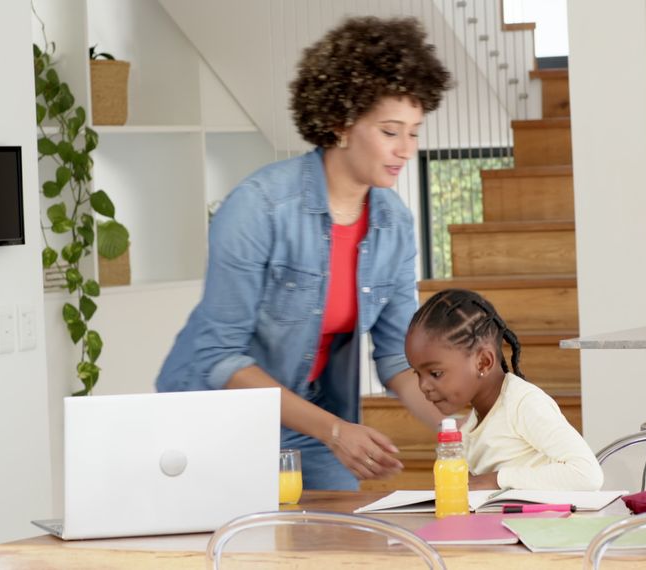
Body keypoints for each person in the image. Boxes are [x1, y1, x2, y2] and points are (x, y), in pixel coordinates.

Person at [156, 16, 453, 491]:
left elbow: (398, 356)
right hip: (212, 415)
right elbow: (219, 357)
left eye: (414, 132)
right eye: (390, 131)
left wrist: (456, 432)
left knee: (338, 547)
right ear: (340, 123)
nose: (406, 150)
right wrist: (335, 431)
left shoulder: (393, 224)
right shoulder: (259, 207)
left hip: (306, 418)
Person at [405, 288, 604, 491]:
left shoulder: (523, 403)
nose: (423, 386)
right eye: (417, 374)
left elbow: (587, 474)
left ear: (483, 362)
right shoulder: (470, 426)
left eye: (435, 373)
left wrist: (494, 480)